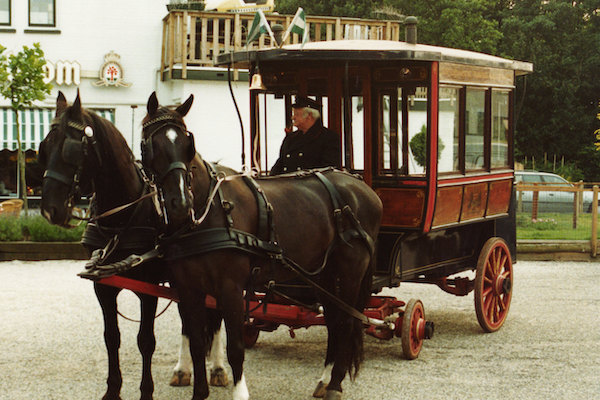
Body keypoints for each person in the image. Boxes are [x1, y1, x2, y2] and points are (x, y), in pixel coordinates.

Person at [270, 96, 341, 175]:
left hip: (312, 186)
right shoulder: (291, 138)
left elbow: (328, 171)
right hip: (287, 184)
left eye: (296, 114)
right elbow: (280, 164)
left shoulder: (328, 138)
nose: (293, 117)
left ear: (309, 116)